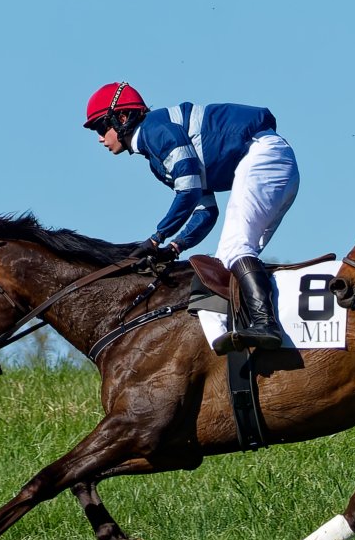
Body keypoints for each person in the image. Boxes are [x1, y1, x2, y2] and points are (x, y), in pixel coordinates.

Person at [84, 81, 299, 353]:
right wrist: (176, 247)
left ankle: (265, 325)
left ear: (122, 118)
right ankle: (249, 330)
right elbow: (206, 210)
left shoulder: (154, 131)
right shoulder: (155, 160)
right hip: (273, 160)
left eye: (101, 127)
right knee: (224, 261)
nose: (100, 138)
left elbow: (188, 191)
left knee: (234, 249)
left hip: (263, 155)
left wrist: (156, 238)